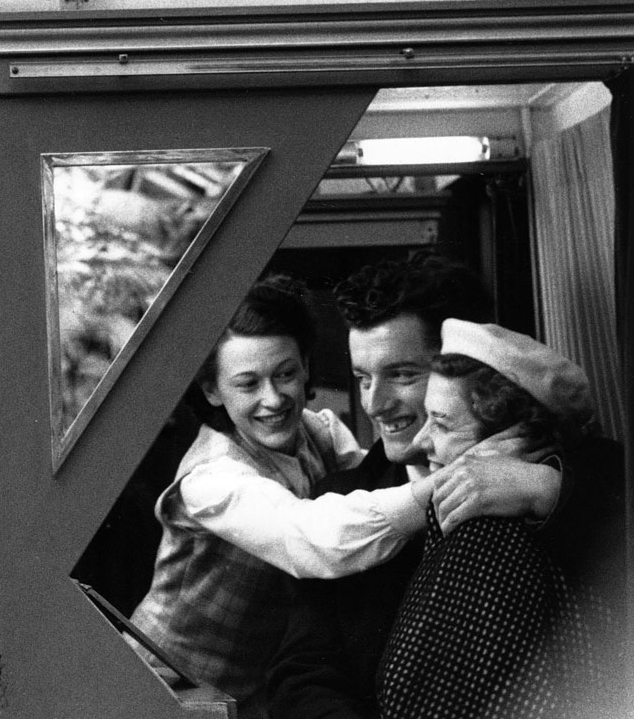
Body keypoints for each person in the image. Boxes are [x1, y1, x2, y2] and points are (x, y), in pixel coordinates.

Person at [267, 253, 623, 719]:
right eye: (362, 378)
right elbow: (301, 678)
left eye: (401, 374)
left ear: (459, 366)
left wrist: (546, 489)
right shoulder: (340, 497)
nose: (375, 403)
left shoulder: (581, 472)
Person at [128, 275, 420, 718]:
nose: (274, 399)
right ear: (212, 390)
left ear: (306, 366)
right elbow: (318, 540)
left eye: (285, 374)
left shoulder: (319, 433)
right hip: (162, 693)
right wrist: (443, 488)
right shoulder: (211, 480)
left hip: (251, 695)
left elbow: (378, 485)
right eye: (247, 384)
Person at [377, 320, 618, 718]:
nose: (421, 442)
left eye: (441, 423)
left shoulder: (485, 536)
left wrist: (543, 486)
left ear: (513, 439)